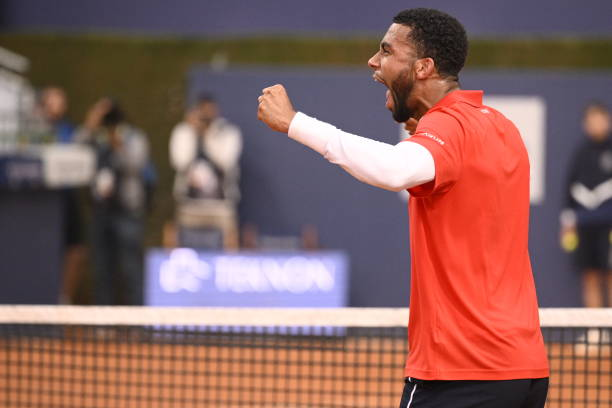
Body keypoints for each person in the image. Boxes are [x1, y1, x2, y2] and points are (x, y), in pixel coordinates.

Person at [257, 8, 549, 408]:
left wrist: (294, 123)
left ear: (424, 67)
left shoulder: (449, 127)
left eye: (386, 51)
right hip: (525, 371)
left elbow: (395, 170)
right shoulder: (500, 126)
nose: (373, 62)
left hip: (460, 375)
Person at [76, 98, 152, 305]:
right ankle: (103, 323)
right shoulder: (95, 136)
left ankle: (137, 322)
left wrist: (119, 147)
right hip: (100, 211)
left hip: (127, 211)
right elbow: (76, 150)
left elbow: (138, 164)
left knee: (130, 270)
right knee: (101, 270)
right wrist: (92, 122)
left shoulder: (133, 137)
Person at [168, 94, 242, 249]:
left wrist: (207, 135)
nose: (206, 116)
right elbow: (180, 162)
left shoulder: (227, 132)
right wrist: (194, 134)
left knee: (230, 237)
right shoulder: (183, 131)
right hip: (189, 203)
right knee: (173, 232)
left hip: (220, 203)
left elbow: (226, 162)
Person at [38, 86, 86, 304]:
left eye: (62, 99)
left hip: (66, 199)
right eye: (56, 99)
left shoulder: (68, 129)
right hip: (39, 202)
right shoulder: (33, 128)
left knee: (76, 250)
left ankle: (63, 299)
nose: (61, 104)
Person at [561, 102, 612, 308]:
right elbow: (569, 189)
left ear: (607, 121)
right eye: (591, 121)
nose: (596, 124)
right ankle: (594, 333)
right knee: (589, 277)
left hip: (608, 226)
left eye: (599, 119)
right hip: (584, 225)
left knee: (610, 276)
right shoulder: (580, 153)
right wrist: (568, 222)